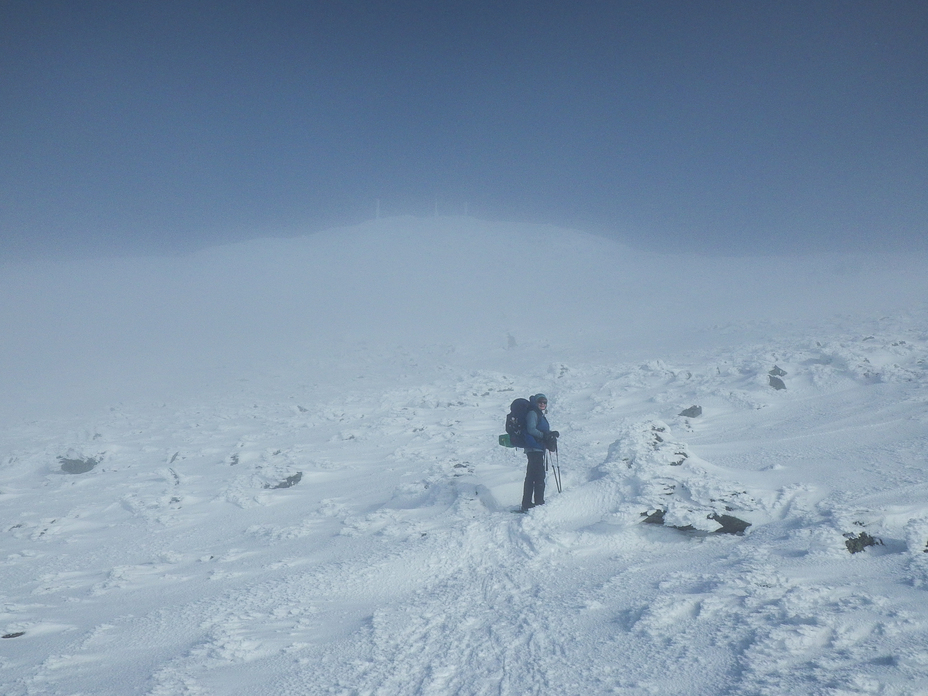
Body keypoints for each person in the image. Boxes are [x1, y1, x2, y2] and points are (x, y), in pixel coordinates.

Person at [521, 394, 558, 512]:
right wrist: (545, 436)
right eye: (540, 401)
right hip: (534, 448)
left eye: (544, 402)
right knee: (538, 476)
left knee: (532, 476)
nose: (542, 404)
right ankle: (538, 503)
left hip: (537, 448)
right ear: (535, 402)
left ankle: (528, 503)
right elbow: (531, 429)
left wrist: (551, 433)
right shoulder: (533, 413)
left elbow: (540, 429)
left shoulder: (538, 413)